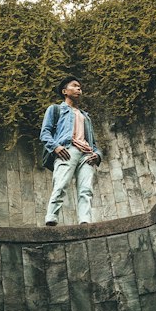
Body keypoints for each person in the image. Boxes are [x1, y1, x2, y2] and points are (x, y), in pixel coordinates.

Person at [40, 77, 102, 225]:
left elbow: (93, 143)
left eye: (80, 87)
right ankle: (51, 217)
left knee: (86, 190)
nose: (79, 89)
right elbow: (45, 133)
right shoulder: (56, 109)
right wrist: (56, 147)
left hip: (86, 154)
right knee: (61, 184)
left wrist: (97, 155)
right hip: (67, 150)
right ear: (65, 91)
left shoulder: (86, 116)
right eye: (74, 86)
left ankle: (85, 220)